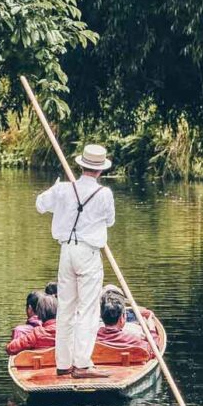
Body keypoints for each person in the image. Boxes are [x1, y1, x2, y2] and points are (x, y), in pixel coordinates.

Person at [36, 144, 115, 379]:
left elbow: (40, 205)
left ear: (80, 166)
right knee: (88, 310)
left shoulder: (62, 189)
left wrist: (55, 189)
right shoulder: (104, 194)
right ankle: (81, 364)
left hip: (66, 252)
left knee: (66, 309)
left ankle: (63, 364)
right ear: (100, 171)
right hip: (88, 253)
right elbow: (109, 221)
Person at [96, 293, 155, 358]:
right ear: (122, 318)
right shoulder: (134, 340)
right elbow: (154, 350)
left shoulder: (92, 338)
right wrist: (152, 329)